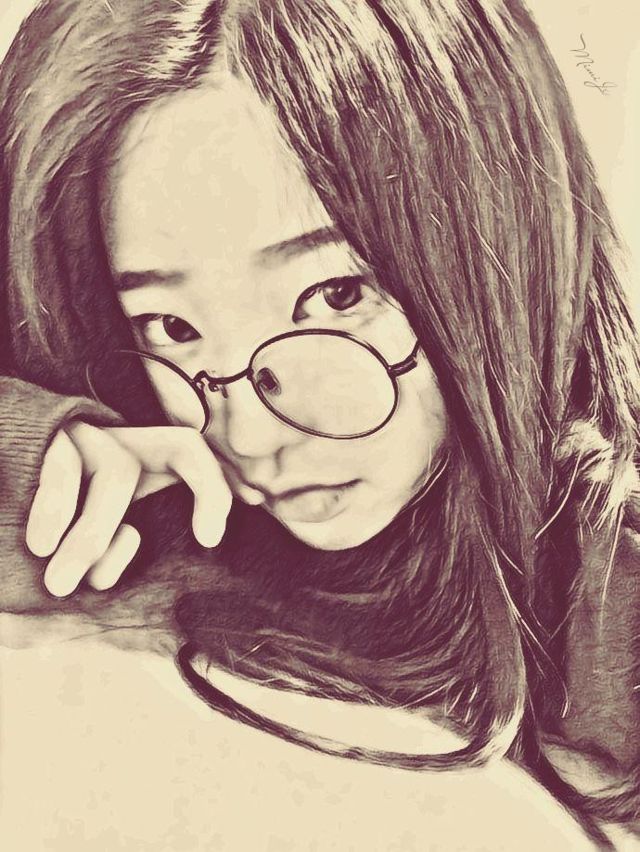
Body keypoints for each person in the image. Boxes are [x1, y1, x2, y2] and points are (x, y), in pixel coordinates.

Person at [0, 0, 638, 846]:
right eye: (172, 327)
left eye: (338, 295)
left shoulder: (609, 581)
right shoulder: (160, 509)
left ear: (501, 239)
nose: (252, 436)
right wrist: (29, 448)